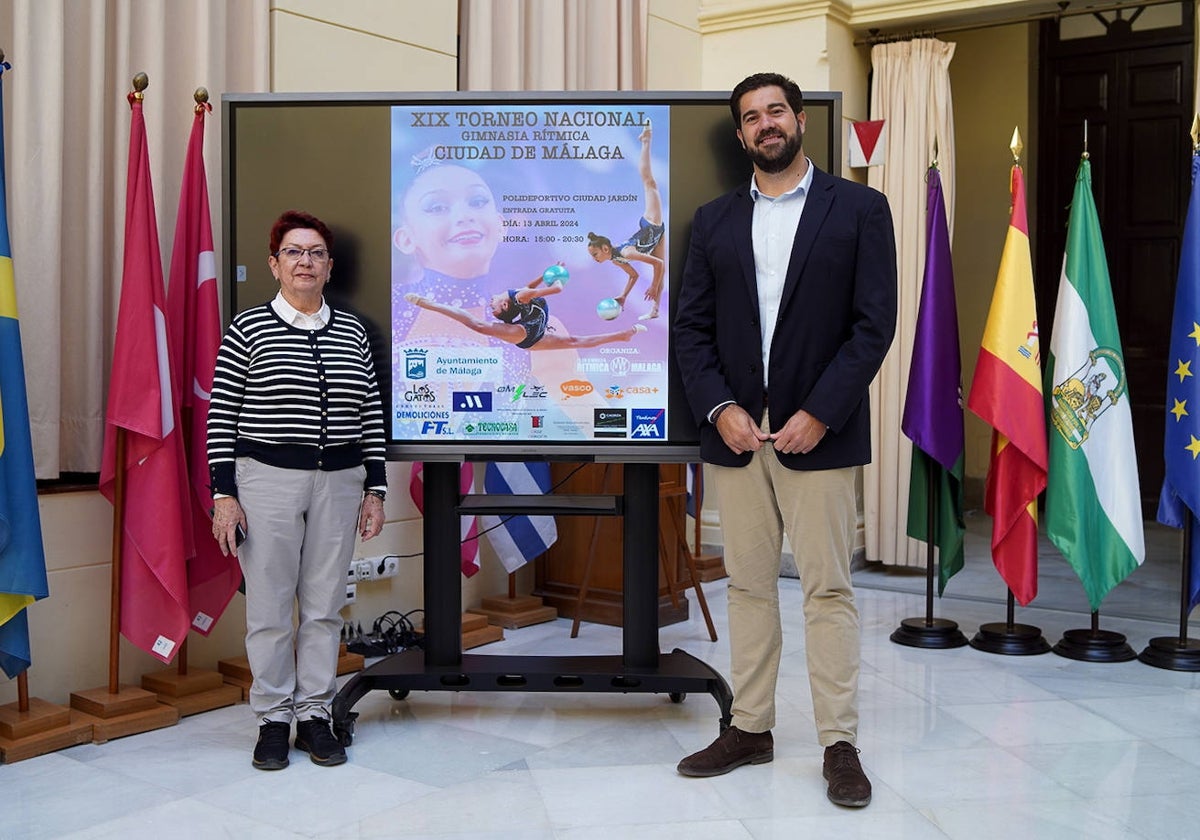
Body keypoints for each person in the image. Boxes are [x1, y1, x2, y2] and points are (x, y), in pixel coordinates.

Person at [672, 73, 897, 808]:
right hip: (737, 438)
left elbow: (874, 325)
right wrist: (719, 407)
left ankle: (839, 743)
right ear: (740, 136)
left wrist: (822, 412)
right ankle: (751, 727)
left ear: (799, 121)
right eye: (751, 117)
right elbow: (690, 330)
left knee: (828, 588)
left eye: (776, 111)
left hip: (818, 438)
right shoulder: (710, 221)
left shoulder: (861, 209)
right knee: (746, 586)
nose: (765, 125)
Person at [207, 209, 388, 771]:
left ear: (329, 267)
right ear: (274, 264)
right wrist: (224, 494)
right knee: (267, 606)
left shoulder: (354, 331)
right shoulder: (247, 330)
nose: (304, 261)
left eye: (315, 253)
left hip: (340, 484)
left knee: (324, 604)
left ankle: (313, 714)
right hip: (266, 483)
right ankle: (272, 719)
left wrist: (376, 487)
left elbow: (370, 416)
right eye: (293, 252)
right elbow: (220, 418)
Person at [403, 264, 647, 350]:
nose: (491, 304)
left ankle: (623, 336)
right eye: (495, 308)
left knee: (575, 341)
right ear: (507, 304)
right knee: (478, 325)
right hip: (527, 333)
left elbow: (530, 286)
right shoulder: (521, 298)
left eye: (494, 306)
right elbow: (557, 290)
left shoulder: (521, 295)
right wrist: (557, 279)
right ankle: (430, 304)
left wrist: (546, 275)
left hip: (537, 329)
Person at [585, 121, 666, 319]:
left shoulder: (626, 252)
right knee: (661, 269)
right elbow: (634, 275)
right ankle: (655, 310)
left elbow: (656, 264)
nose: (594, 259)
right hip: (654, 237)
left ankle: (646, 140)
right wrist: (623, 296)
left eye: (595, 254)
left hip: (651, 224)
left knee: (649, 182)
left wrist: (653, 286)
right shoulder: (616, 260)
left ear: (605, 249)